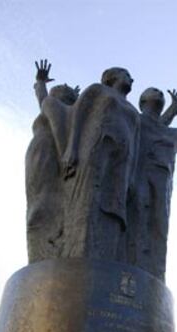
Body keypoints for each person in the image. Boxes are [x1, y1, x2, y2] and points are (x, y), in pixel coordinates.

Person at [126, 87, 177, 280]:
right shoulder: (133, 120)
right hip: (135, 182)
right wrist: (173, 107)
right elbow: (152, 125)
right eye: (154, 91)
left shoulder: (170, 134)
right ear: (142, 102)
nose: (159, 93)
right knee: (133, 225)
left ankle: (152, 279)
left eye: (160, 92)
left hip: (161, 189)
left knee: (157, 232)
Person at [62, 67, 140, 261]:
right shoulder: (98, 90)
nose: (132, 79)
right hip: (98, 147)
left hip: (122, 161)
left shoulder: (133, 111)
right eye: (127, 75)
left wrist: (131, 175)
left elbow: (136, 143)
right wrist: (72, 148)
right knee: (89, 198)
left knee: (115, 207)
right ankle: (80, 254)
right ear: (112, 77)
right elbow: (77, 116)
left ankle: (107, 257)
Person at [26, 59, 80, 262]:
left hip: (63, 152)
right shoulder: (51, 104)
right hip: (44, 152)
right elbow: (43, 98)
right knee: (41, 201)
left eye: (69, 92)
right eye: (62, 90)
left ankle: (58, 242)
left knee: (60, 201)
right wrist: (40, 82)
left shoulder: (72, 114)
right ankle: (44, 250)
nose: (64, 91)